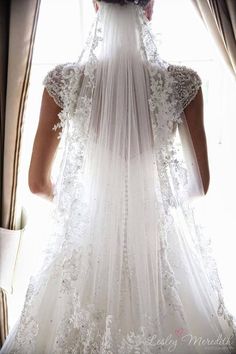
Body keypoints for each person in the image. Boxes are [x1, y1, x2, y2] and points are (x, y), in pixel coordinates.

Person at [1, 0, 236, 353]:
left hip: (87, 242)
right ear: (151, 7)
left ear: (96, 6)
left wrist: (87, 200)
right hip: (158, 245)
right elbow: (199, 185)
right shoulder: (183, 83)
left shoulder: (63, 83)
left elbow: (37, 183)